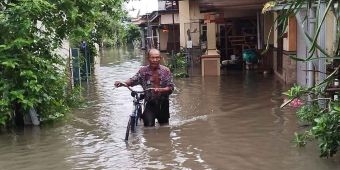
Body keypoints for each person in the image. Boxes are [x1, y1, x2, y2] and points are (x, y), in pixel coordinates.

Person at [114, 48, 174, 127]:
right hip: (150, 103)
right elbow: (133, 80)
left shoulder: (166, 71)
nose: (155, 60)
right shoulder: (143, 71)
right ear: (148, 58)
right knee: (148, 127)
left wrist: (161, 90)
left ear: (160, 58)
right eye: (153, 57)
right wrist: (123, 83)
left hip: (163, 104)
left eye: (157, 57)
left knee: (165, 127)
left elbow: (171, 88)